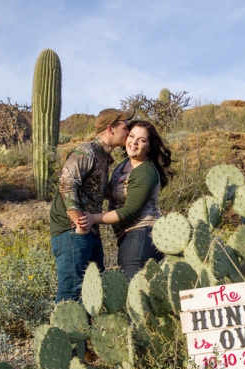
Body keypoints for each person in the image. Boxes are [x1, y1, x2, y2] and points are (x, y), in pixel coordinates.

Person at [49, 108, 134, 302]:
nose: (128, 131)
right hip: (71, 231)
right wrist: (79, 224)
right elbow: (66, 184)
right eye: (125, 126)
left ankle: (84, 332)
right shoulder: (86, 151)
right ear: (111, 128)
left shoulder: (104, 157)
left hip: (89, 230)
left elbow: (95, 190)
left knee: (92, 292)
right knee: (72, 290)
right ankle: (64, 332)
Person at [78, 120, 174, 280]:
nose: (134, 142)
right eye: (132, 136)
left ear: (149, 146)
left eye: (142, 140)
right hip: (127, 236)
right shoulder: (124, 164)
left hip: (142, 234)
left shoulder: (146, 172)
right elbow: (111, 192)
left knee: (134, 293)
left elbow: (129, 211)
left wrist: (93, 218)